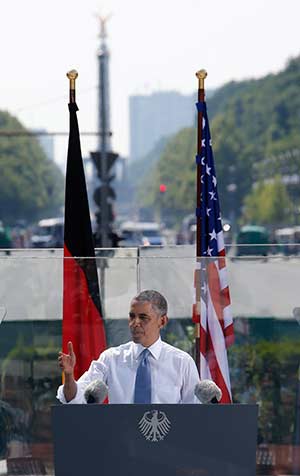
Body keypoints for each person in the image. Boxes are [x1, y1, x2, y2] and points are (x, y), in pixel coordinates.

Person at [57, 289, 200, 404]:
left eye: (143, 317)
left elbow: (194, 412)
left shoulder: (182, 362)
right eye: (132, 316)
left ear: (162, 322)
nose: (135, 323)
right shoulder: (110, 359)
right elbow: (75, 399)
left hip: (167, 438)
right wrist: (69, 376)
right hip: (119, 438)